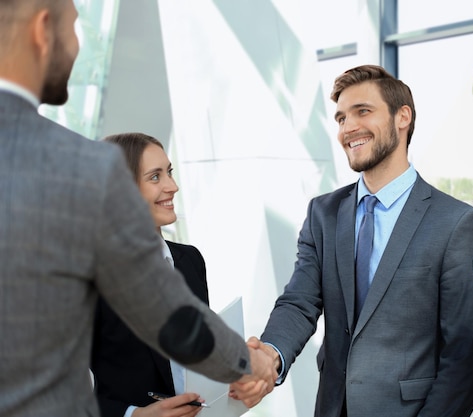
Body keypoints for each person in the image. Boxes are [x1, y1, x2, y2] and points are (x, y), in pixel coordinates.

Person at [0, 1, 275, 416]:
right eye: (75, 29)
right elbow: (167, 316)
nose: (77, 48)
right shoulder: (78, 166)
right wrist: (251, 362)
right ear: (42, 30)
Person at [230, 64, 473, 416]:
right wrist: (269, 356)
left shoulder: (456, 222)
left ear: (403, 117)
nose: (348, 128)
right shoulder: (324, 213)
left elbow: (465, 355)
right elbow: (299, 302)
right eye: (340, 118)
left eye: (362, 112)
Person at [90, 133, 211, 417]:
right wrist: (134, 415)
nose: (173, 186)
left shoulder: (190, 261)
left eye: (169, 172)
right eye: (155, 177)